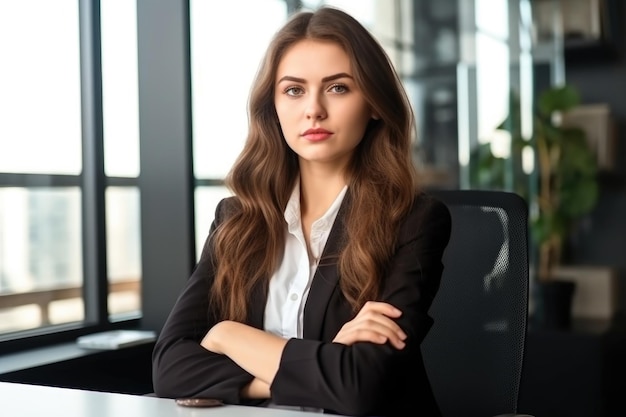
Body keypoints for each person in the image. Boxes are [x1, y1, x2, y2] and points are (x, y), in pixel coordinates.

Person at [152, 6, 451, 417]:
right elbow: (169, 367)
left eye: (338, 88)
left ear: (375, 103)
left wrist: (226, 336)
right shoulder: (237, 219)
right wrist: (320, 363)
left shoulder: (413, 221)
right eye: (294, 90)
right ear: (272, 106)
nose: (314, 110)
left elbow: (359, 389)